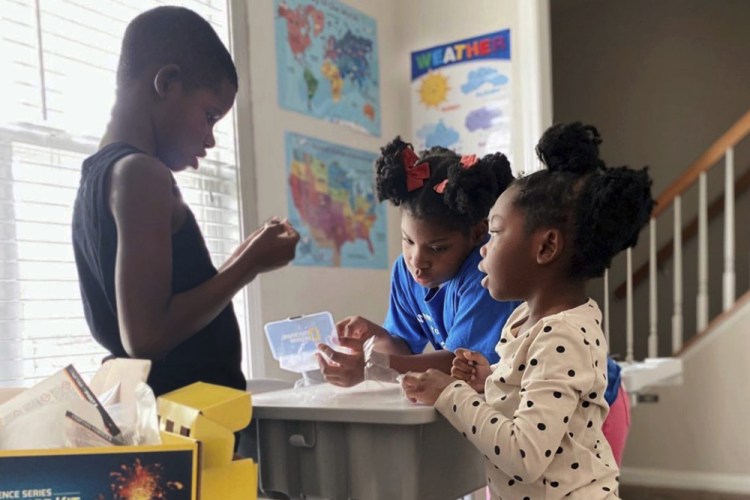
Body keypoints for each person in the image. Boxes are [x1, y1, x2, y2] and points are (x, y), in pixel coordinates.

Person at [402, 122, 654, 499]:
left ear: (546, 247)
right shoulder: (525, 319)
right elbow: (532, 403)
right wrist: (488, 381)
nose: (483, 249)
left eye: (497, 233)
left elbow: (525, 454)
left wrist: (450, 393)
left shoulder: (562, 335)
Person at [72, 6, 299, 396]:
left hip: (158, 413)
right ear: (168, 83)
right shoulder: (142, 174)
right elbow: (145, 337)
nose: (210, 139)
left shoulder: (97, 175)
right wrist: (249, 265)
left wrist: (243, 255)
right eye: (210, 116)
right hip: (183, 425)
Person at [316, 137, 520, 386]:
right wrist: (375, 339)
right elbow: (403, 349)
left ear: (478, 233)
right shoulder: (404, 270)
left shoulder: (487, 275)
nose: (418, 261)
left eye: (437, 248)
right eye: (408, 241)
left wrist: (372, 367)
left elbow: (460, 365)